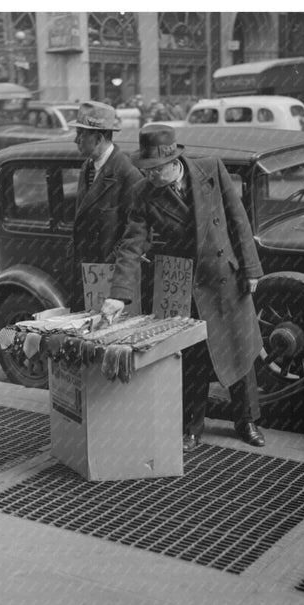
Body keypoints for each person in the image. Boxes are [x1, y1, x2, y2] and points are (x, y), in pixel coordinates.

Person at [101, 124, 266, 450]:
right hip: (186, 284)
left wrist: (252, 268)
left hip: (226, 278)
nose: (148, 176)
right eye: (144, 170)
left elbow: (238, 219)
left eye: (154, 170)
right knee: (193, 358)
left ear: (172, 162)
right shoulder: (144, 194)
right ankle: (191, 426)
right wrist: (118, 296)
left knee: (240, 351)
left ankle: (246, 422)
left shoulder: (211, 169)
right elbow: (131, 246)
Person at [69, 100, 143, 311]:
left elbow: (138, 236)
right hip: (86, 275)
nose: (76, 140)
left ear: (99, 138)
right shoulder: (87, 167)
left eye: (81, 135)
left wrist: (107, 266)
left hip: (112, 283)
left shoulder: (128, 174)